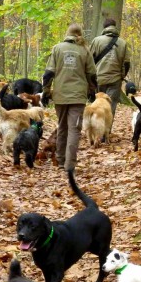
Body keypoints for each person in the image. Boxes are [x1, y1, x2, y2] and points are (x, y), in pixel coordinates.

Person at [42, 23, 97, 172]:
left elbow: (48, 73)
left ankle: (60, 160)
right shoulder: (85, 50)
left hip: (60, 96)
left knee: (62, 127)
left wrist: (46, 92)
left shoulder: (57, 48)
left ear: (67, 33)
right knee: (74, 129)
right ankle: (70, 165)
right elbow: (92, 75)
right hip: (78, 97)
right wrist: (92, 91)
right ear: (80, 34)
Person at [90, 18, 131, 131]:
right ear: (115, 26)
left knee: (98, 105)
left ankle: (97, 129)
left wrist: (91, 77)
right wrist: (122, 75)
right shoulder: (123, 42)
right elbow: (127, 63)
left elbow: (90, 60)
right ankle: (106, 132)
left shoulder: (96, 41)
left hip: (99, 79)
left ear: (104, 27)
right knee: (110, 107)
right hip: (115, 79)